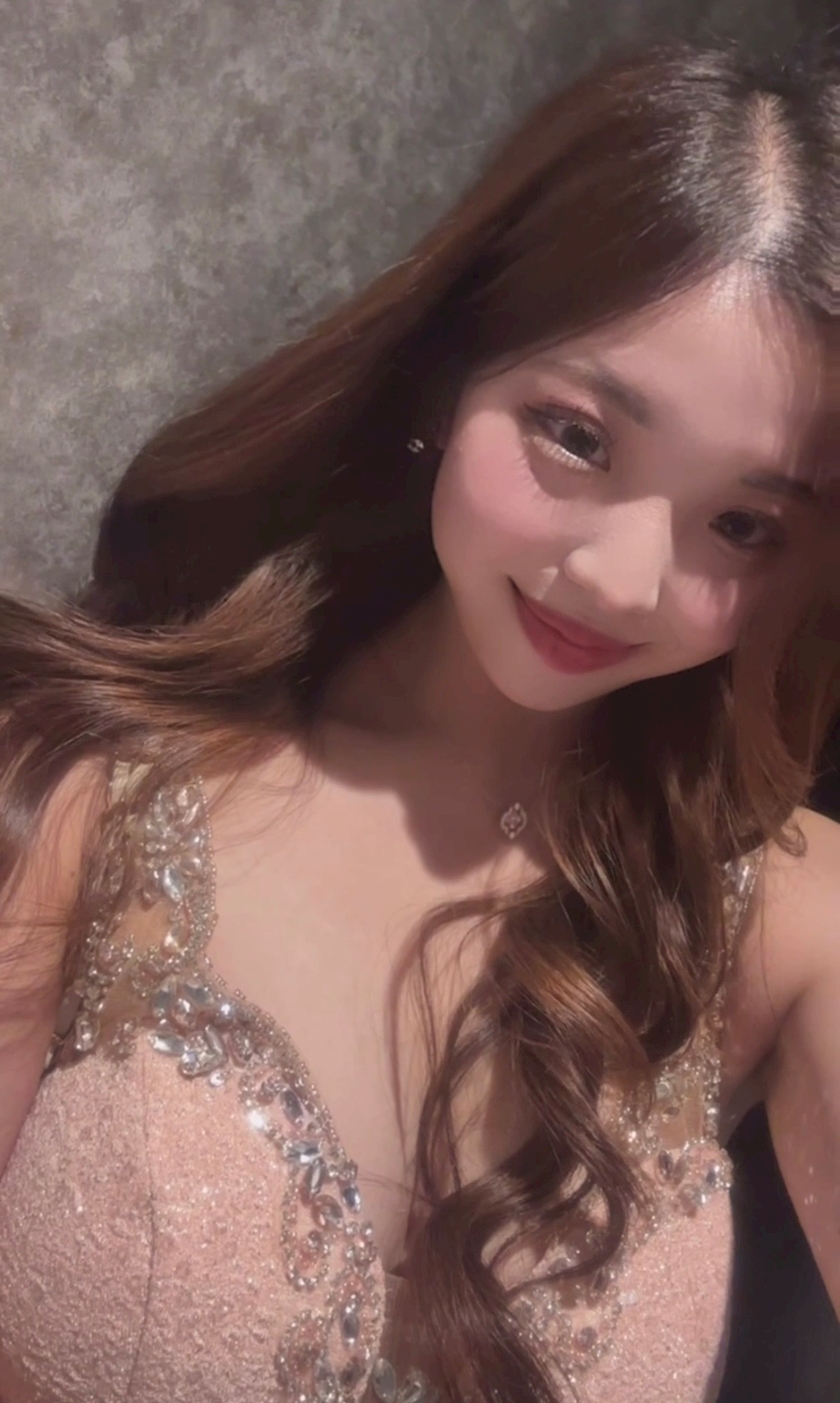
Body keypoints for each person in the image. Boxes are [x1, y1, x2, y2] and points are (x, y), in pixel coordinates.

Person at [0, 34, 837, 1403]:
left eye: (742, 524)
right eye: (578, 436)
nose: (623, 577)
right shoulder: (86, 789)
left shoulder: (784, 918)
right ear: (455, 370)